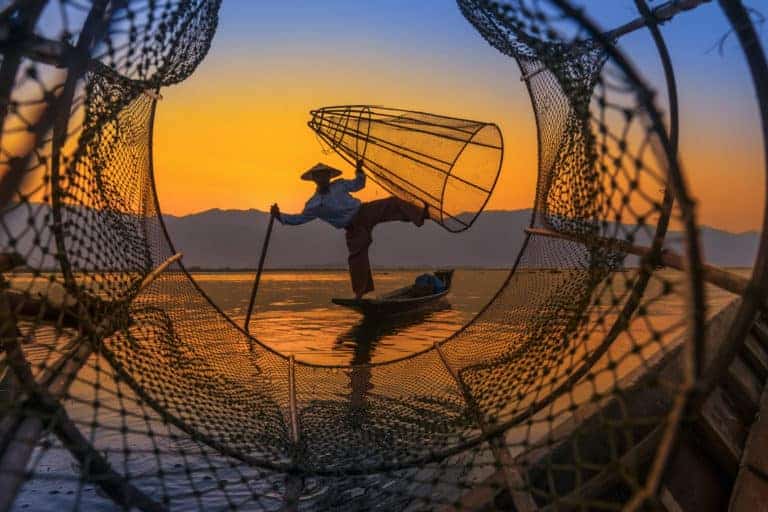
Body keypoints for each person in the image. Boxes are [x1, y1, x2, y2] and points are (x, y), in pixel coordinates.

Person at [271, 160, 429, 298]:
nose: (323, 178)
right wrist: (279, 216)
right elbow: (299, 219)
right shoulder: (314, 204)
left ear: (329, 176)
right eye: (319, 176)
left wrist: (359, 170)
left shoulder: (339, 185)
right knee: (356, 257)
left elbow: (358, 184)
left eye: (325, 175)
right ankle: (360, 292)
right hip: (352, 227)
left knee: (393, 203)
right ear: (314, 179)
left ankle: (420, 215)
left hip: (364, 211)